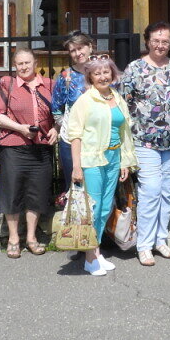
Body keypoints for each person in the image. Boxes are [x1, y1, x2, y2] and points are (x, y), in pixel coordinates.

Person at [120, 21, 170, 267]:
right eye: (156, 40)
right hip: (144, 141)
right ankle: (144, 244)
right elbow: (123, 105)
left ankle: (160, 239)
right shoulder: (135, 68)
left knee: (167, 192)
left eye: (165, 41)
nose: (160, 45)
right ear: (147, 41)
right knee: (150, 191)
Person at [67, 53, 138, 276]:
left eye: (106, 71)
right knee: (94, 208)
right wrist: (76, 166)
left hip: (114, 158)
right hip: (92, 160)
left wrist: (125, 161)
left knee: (106, 208)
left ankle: (96, 252)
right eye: (97, 73)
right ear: (90, 77)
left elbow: (124, 132)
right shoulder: (85, 100)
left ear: (112, 74)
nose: (102, 76)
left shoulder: (116, 97)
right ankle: (89, 258)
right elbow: (74, 134)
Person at [0, 48, 58, 259]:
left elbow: (60, 113)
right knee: (12, 192)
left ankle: (31, 237)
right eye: (19, 63)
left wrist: (56, 128)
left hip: (41, 147)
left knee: (36, 193)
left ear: (35, 63)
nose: (24, 67)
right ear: (15, 66)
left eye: (27, 62)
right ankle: (13, 239)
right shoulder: (7, 84)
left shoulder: (50, 85)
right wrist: (21, 128)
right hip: (13, 146)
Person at [51, 31, 93, 201]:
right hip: (71, 141)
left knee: (97, 187)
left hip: (98, 140)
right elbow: (56, 108)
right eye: (73, 50)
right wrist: (69, 127)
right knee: (76, 186)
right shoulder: (65, 77)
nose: (78, 53)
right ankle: (76, 217)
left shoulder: (103, 71)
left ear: (90, 47)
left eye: (80, 48)